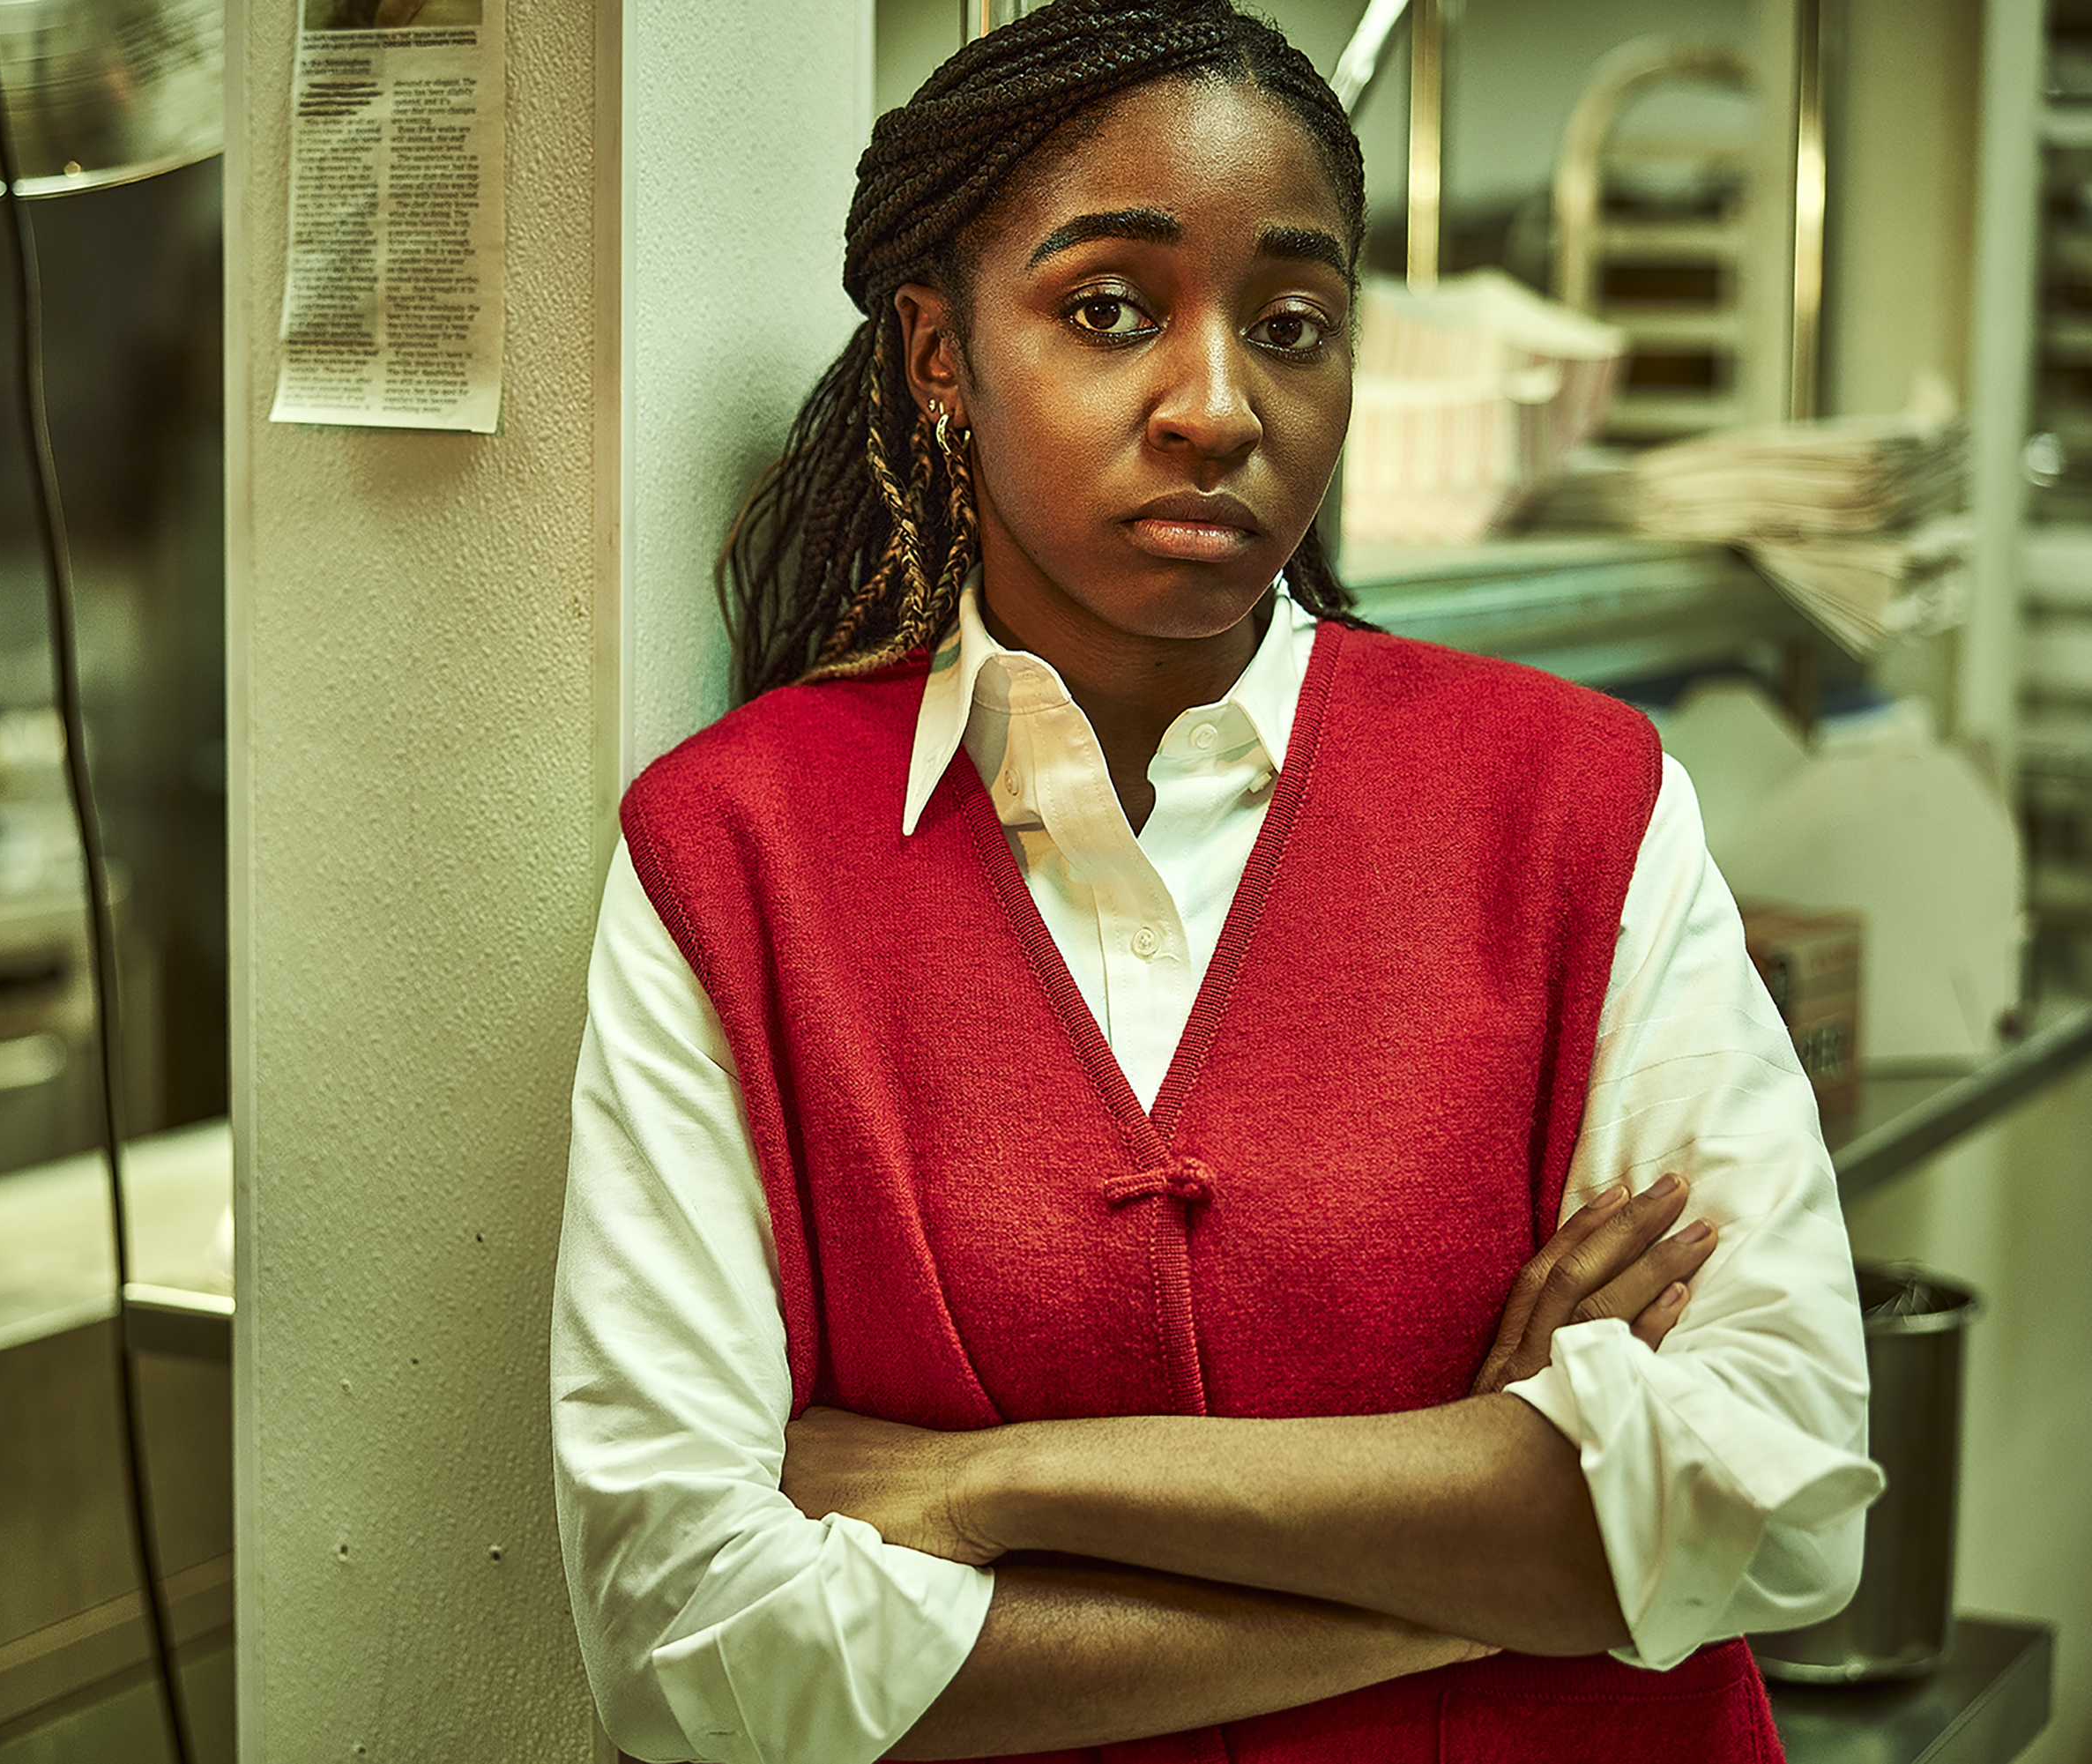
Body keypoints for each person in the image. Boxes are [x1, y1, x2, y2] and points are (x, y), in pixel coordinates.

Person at [551, 4, 1880, 1760]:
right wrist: (1511, 1542)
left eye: (1294, 324)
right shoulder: (734, 855)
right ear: (940, 348)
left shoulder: (1577, 801)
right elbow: (695, 1636)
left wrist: (989, 1482)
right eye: (1110, 310)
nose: (1216, 402)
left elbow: (1783, 1497)